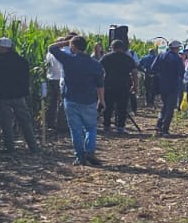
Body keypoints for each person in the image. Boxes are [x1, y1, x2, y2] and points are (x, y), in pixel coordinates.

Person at [0, 37, 40, 154]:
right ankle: (33, 147)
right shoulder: (22, 61)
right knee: (25, 122)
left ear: (4, 48)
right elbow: (26, 79)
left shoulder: (0, 62)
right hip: (19, 97)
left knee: (6, 123)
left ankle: (10, 149)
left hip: (3, 97)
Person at [48, 35, 105, 166]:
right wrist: (101, 100)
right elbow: (100, 84)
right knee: (90, 127)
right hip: (89, 100)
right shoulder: (95, 64)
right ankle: (90, 151)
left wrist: (67, 42)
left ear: (73, 47)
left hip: (71, 99)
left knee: (75, 130)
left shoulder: (68, 60)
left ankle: (80, 157)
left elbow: (51, 47)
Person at [99, 39, 137, 134]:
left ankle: (106, 126)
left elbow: (98, 70)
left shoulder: (106, 57)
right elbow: (134, 73)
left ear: (112, 47)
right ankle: (120, 127)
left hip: (109, 85)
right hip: (124, 85)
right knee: (122, 107)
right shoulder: (128, 58)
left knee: (108, 106)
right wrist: (135, 85)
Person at [151, 41, 186, 136]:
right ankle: (164, 129)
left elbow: (153, 67)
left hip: (162, 85)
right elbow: (181, 72)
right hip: (173, 85)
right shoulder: (177, 58)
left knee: (164, 105)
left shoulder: (161, 55)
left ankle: (159, 124)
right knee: (170, 108)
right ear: (176, 48)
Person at [43, 34, 68, 131]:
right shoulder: (60, 53)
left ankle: (50, 122)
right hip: (58, 78)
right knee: (61, 101)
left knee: (52, 101)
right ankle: (61, 124)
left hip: (50, 78)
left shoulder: (49, 53)